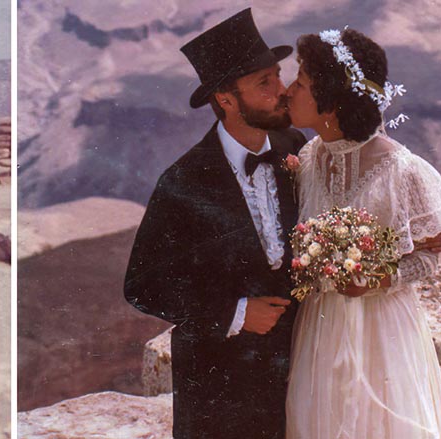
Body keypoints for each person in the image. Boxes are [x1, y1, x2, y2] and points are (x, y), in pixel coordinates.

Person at [123, 9, 306, 438]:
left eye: (277, 75)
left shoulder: (295, 147)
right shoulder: (183, 180)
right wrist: (237, 312)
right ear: (226, 99)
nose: (282, 90)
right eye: (264, 82)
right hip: (217, 391)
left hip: (293, 374)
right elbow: (142, 285)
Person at [283, 28, 441, 438]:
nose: (289, 90)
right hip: (320, 329)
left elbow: (429, 257)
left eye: (302, 82)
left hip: (383, 332)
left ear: (332, 101)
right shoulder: (308, 159)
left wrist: (381, 278)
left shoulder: (405, 171)